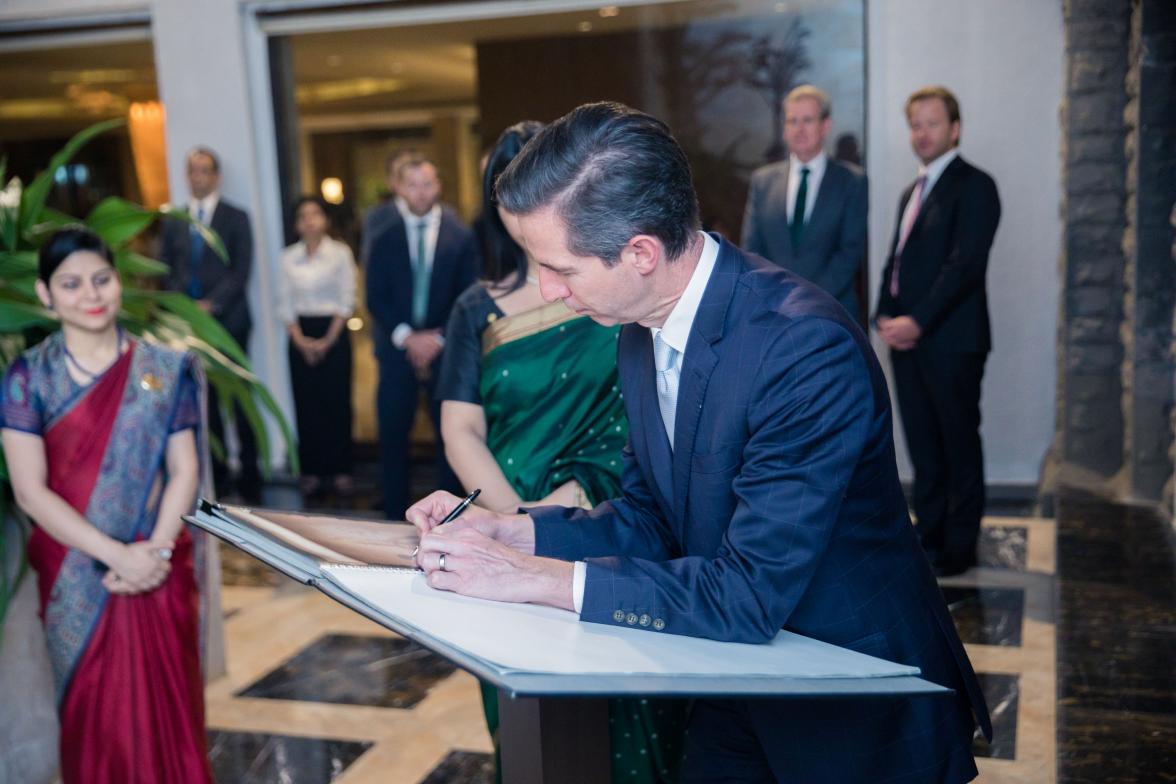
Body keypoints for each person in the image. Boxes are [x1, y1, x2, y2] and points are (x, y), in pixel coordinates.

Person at [407, 102, 991, 782]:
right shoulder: (633, 325)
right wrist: (511, 534)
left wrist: (535, 580)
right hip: (731, 682)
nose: (547, 290)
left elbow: (746, 592)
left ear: (641, 253)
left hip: (848, 699)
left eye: (559, 267)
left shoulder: (803, 348)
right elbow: (647, 515)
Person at [436, 121, 685, 783]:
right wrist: (517, 518)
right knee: (525, 709)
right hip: (504, 514)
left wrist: (573, 500)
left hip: (609, 518)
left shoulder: (609, 294)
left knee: (624, 692)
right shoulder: (475, 307)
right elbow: (461, 428)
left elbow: (643, 417)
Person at [0, 227, 213, 783]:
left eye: (101, 279)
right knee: (95, 718)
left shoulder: (164, 370)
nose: (90, 295)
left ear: (119, 282)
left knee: (172, 709)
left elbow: (183, 467)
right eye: (71, 284)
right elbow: (29, 491)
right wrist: (116, 556)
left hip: (159, 565)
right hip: (77, 573)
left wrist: (157, 551)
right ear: (46, 294)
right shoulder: (28, 379)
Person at [874, 86, 1001, 577]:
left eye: (931, 123)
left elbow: (963, 267)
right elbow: (896, 260)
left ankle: (960, 548)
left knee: (957, 444)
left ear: (955, 128)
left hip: (952, 342)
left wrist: (917, 321)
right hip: (906, 343)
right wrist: (883, 315)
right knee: (923, 446)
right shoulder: (913, 190)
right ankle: (928, 536)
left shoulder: (976, 186)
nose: (922, 133)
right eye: (915, 124)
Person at [366, 153, 481, 518]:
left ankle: (450, 514)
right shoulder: (383, 236)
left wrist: (438, 338)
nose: (420, 192)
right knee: (393, 433)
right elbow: (374, 293)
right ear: (398, 187)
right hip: (395, 347)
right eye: (412, 184)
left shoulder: (460, 235)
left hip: (445, 350)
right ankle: (395, 513)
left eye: (427, 184)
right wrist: (406, 336)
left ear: (438, 187)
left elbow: (468, 292)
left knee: (450, 434)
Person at [160, 146, 260, 501]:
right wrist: (188, 308)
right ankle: (218, 472)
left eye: (205, 170)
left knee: (239, 396)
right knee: (207, 398)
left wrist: (211, 304)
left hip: (229, 321)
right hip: (189, 327)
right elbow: (166, 269)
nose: (198, 176)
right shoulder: (175, 219)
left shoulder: (236, 217)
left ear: (216, 176)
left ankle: (251, 472)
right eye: (193, 170)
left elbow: (240, 271)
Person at [742, 85, 868, 322]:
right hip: (773, 314)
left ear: (825, 125)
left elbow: (849, 252)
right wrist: (776, 299)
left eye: (807, 120)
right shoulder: (762, 181)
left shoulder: (852, 182)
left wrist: (805, 300)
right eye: (792, 121)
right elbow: (751, 251)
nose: (799, 129)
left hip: (832, 315)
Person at [277, 195, 357, 498]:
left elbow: (347, 299)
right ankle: (310, 469)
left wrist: (326, 341)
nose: (309, 220)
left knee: (336, 402)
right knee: (306, 403)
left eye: (315, 214)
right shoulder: (288, 257)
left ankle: (341, 469)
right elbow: (284, 303)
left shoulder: (340, 253)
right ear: (296, 223)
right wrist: (300, 340)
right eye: (303, 215)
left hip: (334, 332)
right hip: (300, 332)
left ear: (325, 219)